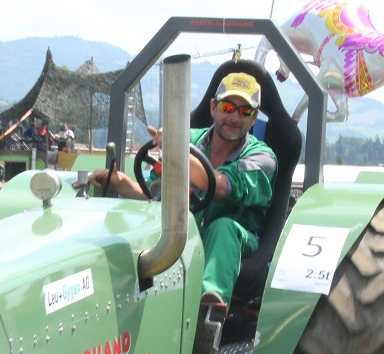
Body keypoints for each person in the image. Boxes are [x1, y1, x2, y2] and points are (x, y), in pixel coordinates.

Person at [87, 71, 277, 309]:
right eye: (228, 107)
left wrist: (176, 148)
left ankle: (209, 310)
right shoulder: (189, 140)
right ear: (213, 108)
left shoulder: (262, 158)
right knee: (155, 222)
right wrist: (120, 181)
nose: (235, 117)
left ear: (254, 117)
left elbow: (218, 186)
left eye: (245, 111)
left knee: (224, 228)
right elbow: (155, 196)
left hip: (236, 243)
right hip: (183, 233)